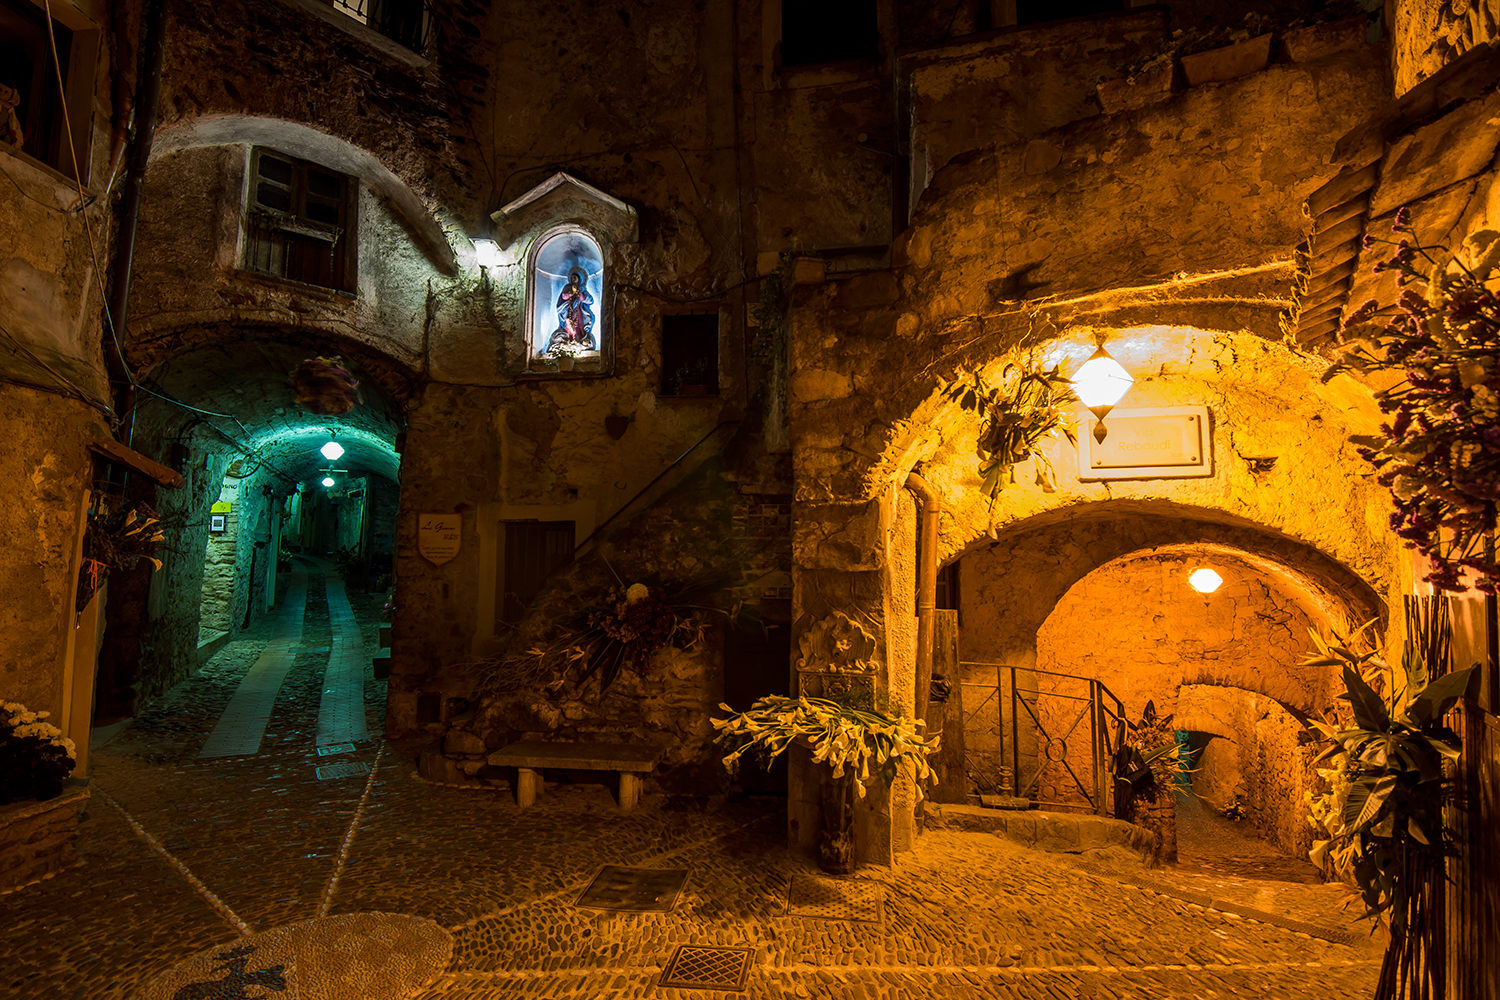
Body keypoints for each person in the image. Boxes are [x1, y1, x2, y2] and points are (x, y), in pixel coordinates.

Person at [546, 267, 595, 353]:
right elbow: (564, 296)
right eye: (572, 278)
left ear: (579, 279)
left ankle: (578, 338)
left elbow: (590, 300)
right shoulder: (567, 287)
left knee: (579, 324)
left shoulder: (582, 288)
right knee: (568, 323)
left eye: (575, 278)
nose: (573, 279)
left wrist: (581, 296)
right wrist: (571, 294)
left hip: (578, 310)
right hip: (569, 310)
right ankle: (569, 338)